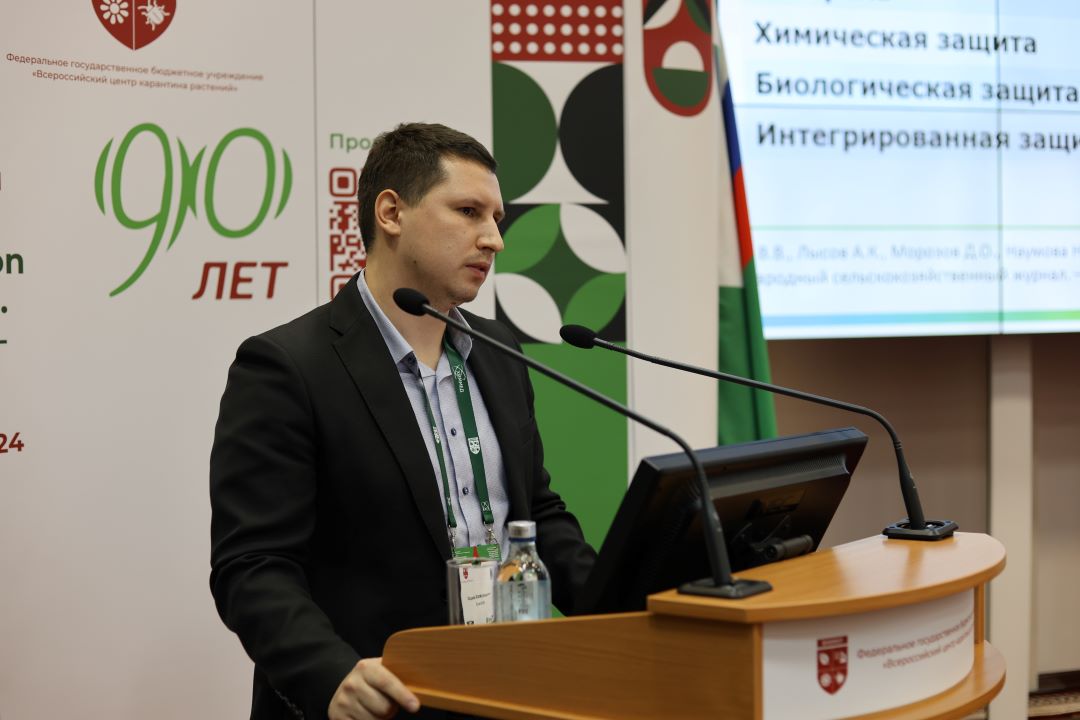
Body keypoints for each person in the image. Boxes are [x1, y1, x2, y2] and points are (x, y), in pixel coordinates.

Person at [209, 122, 597, 720]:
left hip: (501, 688)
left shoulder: (498, 352)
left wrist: (635, 605)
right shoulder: (288, 367)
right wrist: (331, 674)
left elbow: (535, 514)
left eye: (497, 219)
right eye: (468, 212)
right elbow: (253, 566)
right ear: (391, 212)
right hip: (379, 699)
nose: (494, 239)